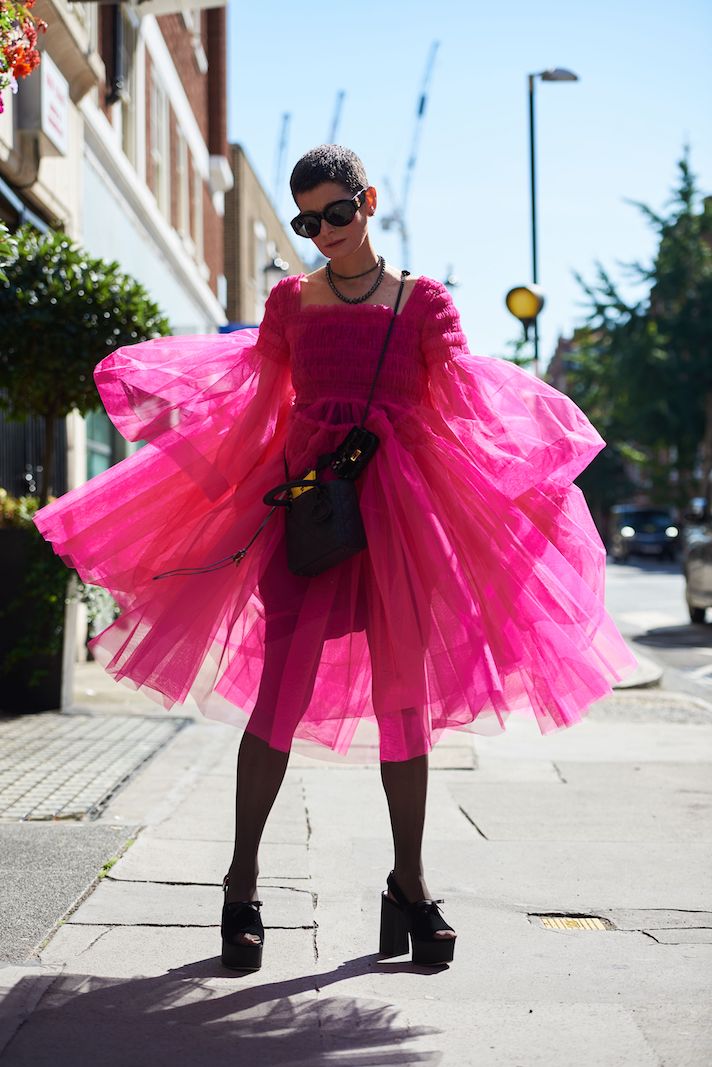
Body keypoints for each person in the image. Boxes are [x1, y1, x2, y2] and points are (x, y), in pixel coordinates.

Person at [33, 144, 637, 973]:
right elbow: (254, 402)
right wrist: (200, 470)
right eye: (307, 221)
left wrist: (517, 479)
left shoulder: (424, 304)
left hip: (403, 520)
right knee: (275, 700)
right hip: (313, 509)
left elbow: (462, 407)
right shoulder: (289, 303)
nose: (325, 233)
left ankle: (410, 885)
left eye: (338, 213)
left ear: (370, 201)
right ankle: (240, 886)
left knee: (404, 705)